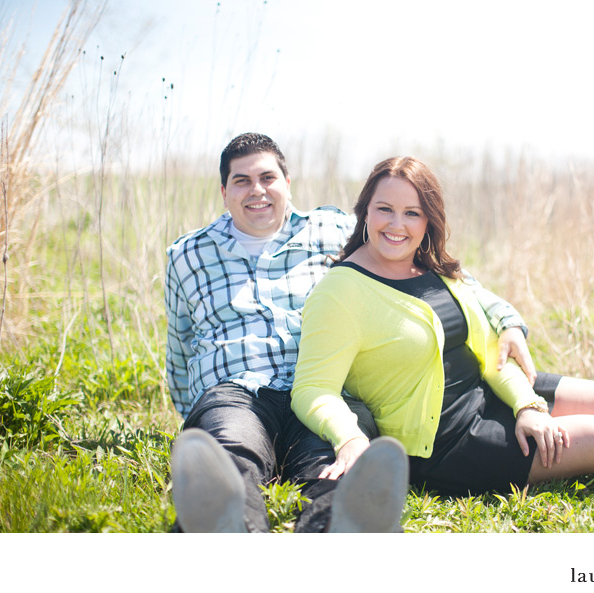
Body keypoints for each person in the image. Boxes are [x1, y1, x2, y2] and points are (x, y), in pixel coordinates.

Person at [291, 156, 594, 498]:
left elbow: (488, 352)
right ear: (365, 212)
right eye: (385, 209)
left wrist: (526, 404)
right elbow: (312, 389)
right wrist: (350, 437)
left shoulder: (432, 269)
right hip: (449, 443)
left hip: (492, 391)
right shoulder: (341, 292)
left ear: (429, 220)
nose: (397, 224)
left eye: (412, 212)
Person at [164, 134, 535, 531]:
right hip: (238, 390)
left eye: (267, 177)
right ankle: (225, 524)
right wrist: (197, 411)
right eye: (241, 181)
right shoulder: (187, 255)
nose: (257, 190)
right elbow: (180, 347)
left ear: (287, 183)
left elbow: (448, 280)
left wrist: (507, 319)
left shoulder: (334, 227)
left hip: (327, 389)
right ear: (224, 192)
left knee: (341, 463)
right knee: (231, 448)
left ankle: (341, 529)